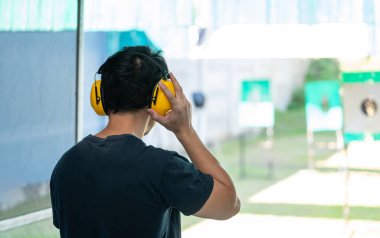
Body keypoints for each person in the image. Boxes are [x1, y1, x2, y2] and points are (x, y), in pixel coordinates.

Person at [50, 46, 240, 238]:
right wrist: (185, 130)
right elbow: (229, 204)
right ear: (159, 100)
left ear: (100, 96)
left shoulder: (66, 164)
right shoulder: (162, 168)